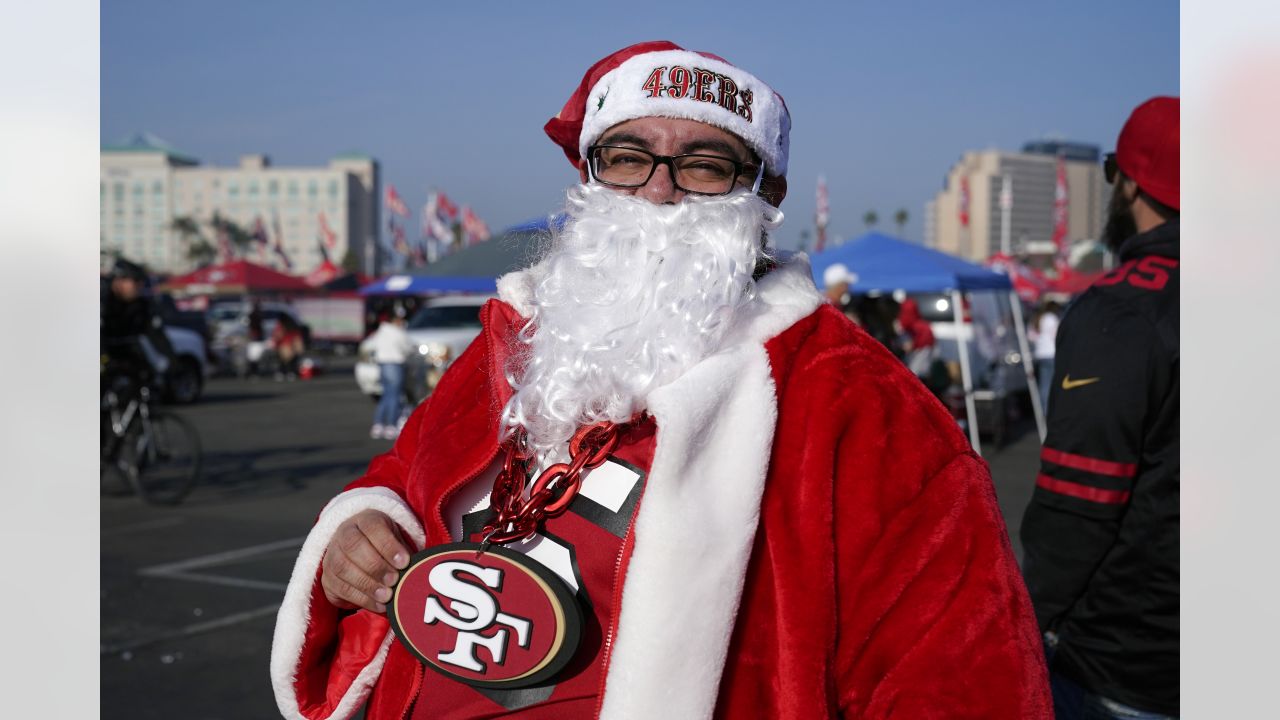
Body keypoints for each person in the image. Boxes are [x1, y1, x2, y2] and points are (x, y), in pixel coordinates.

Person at [272, 41, 1050, 719]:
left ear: (765, 197)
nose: (658, 189)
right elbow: (399, 479)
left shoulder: (861, 404)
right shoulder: (511, 343)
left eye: (706, 166)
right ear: (590, 176)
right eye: (626, 157)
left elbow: (961, 679)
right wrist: (356, 534)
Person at [1019, 97, 1179, 719]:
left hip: (1127, 663)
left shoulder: (1121, 311)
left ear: (1129, 182)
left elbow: (1077, 503)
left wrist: (1024, 618)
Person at [100, 258, 176, 399]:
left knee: (145, 384)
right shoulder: (102, 301)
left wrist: (172, 362)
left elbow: (155, 334)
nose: (139, 286)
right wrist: (105, 360)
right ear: (119, 281)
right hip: (101, 356)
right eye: (134, 281)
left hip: (125, 355)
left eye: (140, 282)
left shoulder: (139, 305)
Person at [369, 306, 414, 440]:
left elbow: (372, 346)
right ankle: (391, 425)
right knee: (394, 396)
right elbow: (408, 348)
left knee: (386, 395)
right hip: (395, 364)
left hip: (382, 365)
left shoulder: (381, 331)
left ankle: (378, 424)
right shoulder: (398, 332)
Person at [1028, 300, 1061, 413]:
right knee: (1054, 385)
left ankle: (1045, 410)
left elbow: (1031, 337)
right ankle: (1052, 411)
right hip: (1051, 354)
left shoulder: (1036, 319)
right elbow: (1057, 335)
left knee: (1044, 386)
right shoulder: (1051, 318)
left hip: (1040, 354)